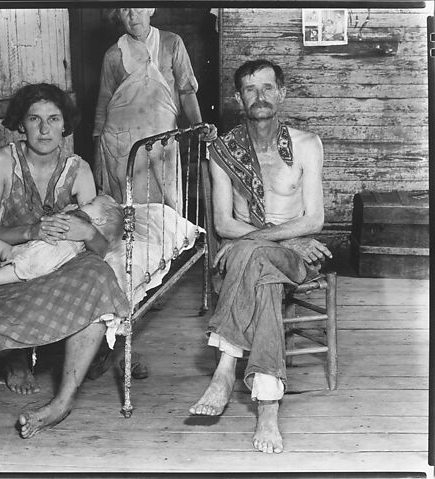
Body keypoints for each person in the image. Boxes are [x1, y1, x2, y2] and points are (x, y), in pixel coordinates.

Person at [0, 82, 130, 438]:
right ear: (20, 124)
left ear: (64, 125)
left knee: (99, 277)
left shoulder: (79, 169)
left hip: (64, 258)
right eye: (34, 119)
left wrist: (86, 232)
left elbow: (100, 240)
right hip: (20, 253)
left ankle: (62, 402)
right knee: (1, 286)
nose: (44, 129)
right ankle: (16, 357)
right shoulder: (2, 161)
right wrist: (31, 231)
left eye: (53, 119)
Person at [189, 60, 332, 454]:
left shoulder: (307, 144)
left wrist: (273, 243)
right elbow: (224, 224)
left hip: (300, 256)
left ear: (281, 93)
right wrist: (282, 241)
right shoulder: (223, 151)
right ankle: (268, 407)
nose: (260, 96)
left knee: (252, 254)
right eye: (251, 89)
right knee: (262, 276)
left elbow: (314, 218)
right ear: (239, 98)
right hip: (273, 253)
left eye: (268, 88)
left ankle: (225, 368)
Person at [0, 194, 124, 345]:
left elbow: (93, 242)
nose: (84, 202)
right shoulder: (80, 222)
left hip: (36, 262)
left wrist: (68, 214)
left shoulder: (82, 224)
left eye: (91, 203)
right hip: (29, 250)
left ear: (99, 220)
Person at [93, 7, 216, 211]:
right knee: (127, 208)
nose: (133, 16)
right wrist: (97, 157)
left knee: (167, 203)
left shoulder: (171, 43)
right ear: (118, 14)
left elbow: (186, 91)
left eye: (139, 7)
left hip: (162, 140)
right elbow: (103, 104)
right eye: (125, 10)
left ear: (151, 9)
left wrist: (198, 125)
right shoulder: (113, 54)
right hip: (121, 142)